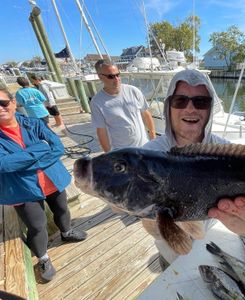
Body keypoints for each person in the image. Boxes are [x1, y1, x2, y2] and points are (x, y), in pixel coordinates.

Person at [141, 69, 245, 266]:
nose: (190, 109)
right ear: (169, 106)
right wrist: (154, 219)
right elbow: (146, 218)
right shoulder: (148, 156)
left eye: (201, 102)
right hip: (170, 254)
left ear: (210, 109)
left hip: (213, 246)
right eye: (180, 101)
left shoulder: (228, 153)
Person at [0, 87, 87, 282]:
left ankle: (66, 232)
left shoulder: (34, 123)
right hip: (23, 187)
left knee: (62, 209)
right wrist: (40, 149)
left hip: (51, 179)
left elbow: (57, 147)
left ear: (13, 103)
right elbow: (3, 164)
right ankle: (43, 258)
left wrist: (25, 161)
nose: (0, 108)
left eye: (3, 103)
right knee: (37, 225)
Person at [90, 59, 156, 152]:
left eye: (118, 75)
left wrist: (153, 139)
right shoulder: (97, 102)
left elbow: (146, 115)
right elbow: (101, 131)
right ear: (100, 77)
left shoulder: (133, 91)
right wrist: (109, 155)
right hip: (122, 153)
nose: (116, 79)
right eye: (111, 76)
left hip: (144, 147)